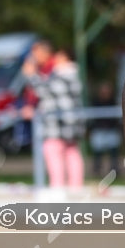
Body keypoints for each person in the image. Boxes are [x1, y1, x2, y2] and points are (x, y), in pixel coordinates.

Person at [23, 43, 85, 191]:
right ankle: (75, 188)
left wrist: (31, 76)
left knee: (52, 151)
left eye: (59, 55)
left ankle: (57, 187)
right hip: (68, 123)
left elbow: (46, 90)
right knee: (71, 152)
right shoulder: (70, 74)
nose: (55, 58)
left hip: (58, 123)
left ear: (66, 58)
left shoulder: (65, 74)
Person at [88, 81, 121, 179]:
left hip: (111, 130)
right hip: (99, 131)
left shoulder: (113, 101)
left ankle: (115, 170)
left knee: (113, 152)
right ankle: (97, 170)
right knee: (97, 152)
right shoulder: (95, 102)